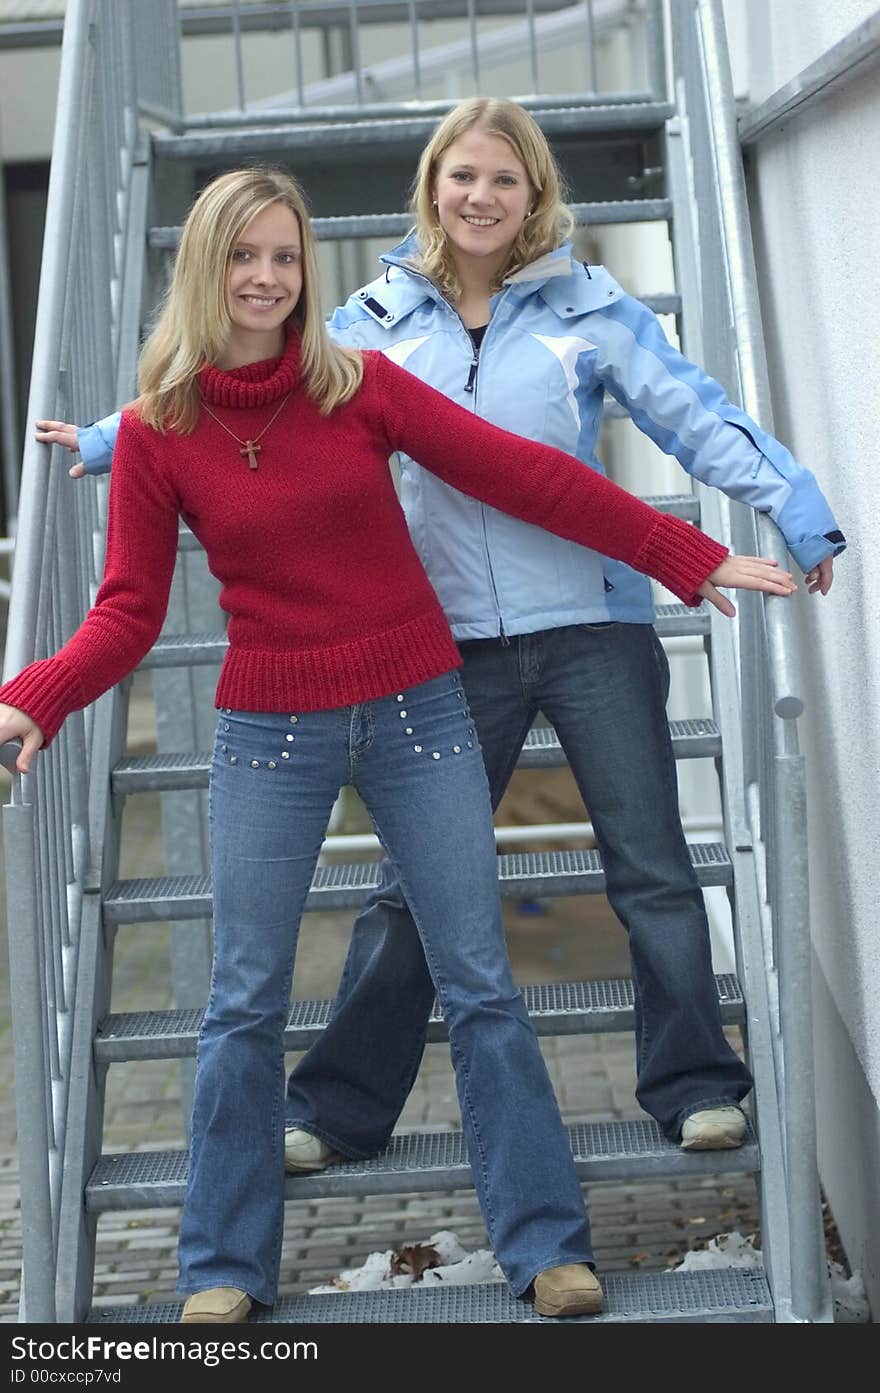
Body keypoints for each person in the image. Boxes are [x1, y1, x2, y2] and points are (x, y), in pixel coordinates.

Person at [3, 167, 796, 1325]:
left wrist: (684, 553)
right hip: (268, 735)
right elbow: (126, 609)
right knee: (241, 1000)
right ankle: (220, 1266)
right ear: (205, 269)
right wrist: (38, 694)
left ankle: (545, 1247)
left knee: (480, 979)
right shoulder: (167, 432)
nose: (268, 278)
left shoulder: (358, 385)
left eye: (286, 256)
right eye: (245, 256)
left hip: (421, 710)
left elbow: (525, 475)